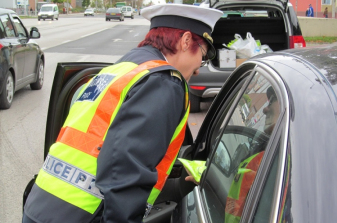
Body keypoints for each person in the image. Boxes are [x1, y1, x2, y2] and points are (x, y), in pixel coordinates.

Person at [22, 4, 223, 223]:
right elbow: (126, 169)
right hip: (82, 216)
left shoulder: (121, 69)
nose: (197, 69)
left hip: (41, 206)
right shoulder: (163, 82)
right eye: (202, 56)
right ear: (185, 41)